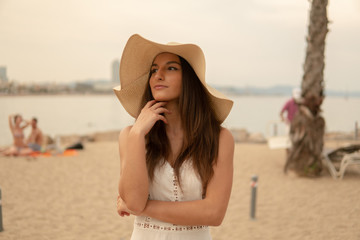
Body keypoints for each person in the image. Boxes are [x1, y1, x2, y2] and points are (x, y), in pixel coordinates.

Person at [114, 34, 234, 239]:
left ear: (189, 78)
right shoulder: (131, 136)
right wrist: (137, 134)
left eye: (170, 68)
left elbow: (214, 213)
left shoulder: (220, 139)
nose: (157, 76)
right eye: (153, 70)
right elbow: (133, 201)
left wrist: (143, 208)